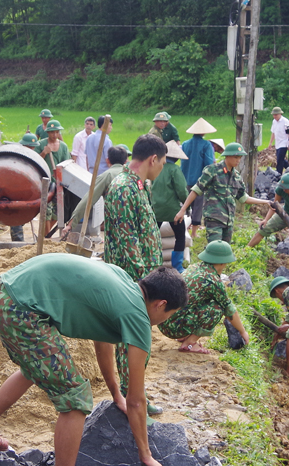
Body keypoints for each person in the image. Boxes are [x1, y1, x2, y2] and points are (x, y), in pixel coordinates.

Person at [0, 254, 187, 466]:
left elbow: (103, 342)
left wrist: (115, 393)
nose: (165, 320)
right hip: (18, 309)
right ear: (161, 304)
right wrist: (146, 456)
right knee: (75, 397)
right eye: (170, 314)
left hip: (0, 292)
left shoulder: (123, 281)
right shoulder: (138, 317)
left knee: (35, 368)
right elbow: (137, 400)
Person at [103, 134, 167, 411]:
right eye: (162, 162)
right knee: (131, 340)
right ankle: (132, 398)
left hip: (144, 277)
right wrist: (147, 281)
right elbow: (128, 242)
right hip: (132, 280)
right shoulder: (123, 189)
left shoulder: (140, 186)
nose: (162, 167)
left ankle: (137, 394)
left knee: (139, 339)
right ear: (153, 159)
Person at [158, 241, 249, 354]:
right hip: (172, 328)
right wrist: (243, 332)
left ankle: (184, 335)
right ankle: (190, 343)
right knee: (218, 308)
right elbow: (230, 311)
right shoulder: (212, 280)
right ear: (222, 262)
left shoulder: (194, 267)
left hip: (163, 321)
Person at [173, 143, 269, 243]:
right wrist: (183, 209)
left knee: (224, 253)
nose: (238, 160)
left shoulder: (237, 177)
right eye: (236, 157)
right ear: (227, 156)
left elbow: (243, 198)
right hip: (214, 218)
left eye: (240, 157)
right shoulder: (213, 171)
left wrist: (265, 202)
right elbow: (196, 190)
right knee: (215, 249)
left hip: (229, 221)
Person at [62, 145, 129, 238]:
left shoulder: (106, 176)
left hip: (117, 225)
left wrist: (71, 224)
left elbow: (88, 200)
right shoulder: (133, 174)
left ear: (108, 160)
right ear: (126, 161)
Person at [151, 141, 190, 273]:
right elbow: (181, 191)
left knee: (153, 236)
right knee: (180, 236)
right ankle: (177, 266)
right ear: (177, 157)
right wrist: (186, 205)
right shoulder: (174, 169)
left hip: (156, 208)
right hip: (172, 210)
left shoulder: (156, 167)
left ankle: (152, 261)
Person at [181, 118, 217, 239]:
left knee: (185, 204)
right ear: (204, 132)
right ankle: (194, 232)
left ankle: (184, 228)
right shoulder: (206, 145)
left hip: (185, 179)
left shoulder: (185, 144)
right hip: (199, 180)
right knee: (197, 206)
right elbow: (208, 163)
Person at [34, 120, 70, 236]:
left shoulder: (63, 147)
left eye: (56, 132)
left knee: (57, 212)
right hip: (45, 184)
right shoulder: (41, 145)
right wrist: (44, 153)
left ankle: (46, 235)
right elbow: (34, 161)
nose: (54, 135)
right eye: (52, 132)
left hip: (59, 183)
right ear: (47, 133)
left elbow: (67, 164)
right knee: (46, 211)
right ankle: (45, 237)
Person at [10, 133, 41, 242]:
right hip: (15, 189)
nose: (32, 149)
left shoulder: (32, 157)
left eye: (33, 147)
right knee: (16, 217)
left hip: (27, 190)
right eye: (30, 147)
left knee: (23, 215)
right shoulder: (17, 156)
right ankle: (17, 241)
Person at [268, 106, 289, 175]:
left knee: (279, 160)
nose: (274, 116)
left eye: (276, 115)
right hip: (278, 143)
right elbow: (273, 132)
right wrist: (270, 142)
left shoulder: (285, 121)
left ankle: (279, 173)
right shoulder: (274, 122)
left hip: (284, 143)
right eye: (273, 115)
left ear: (280, 114)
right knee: (280, 158)